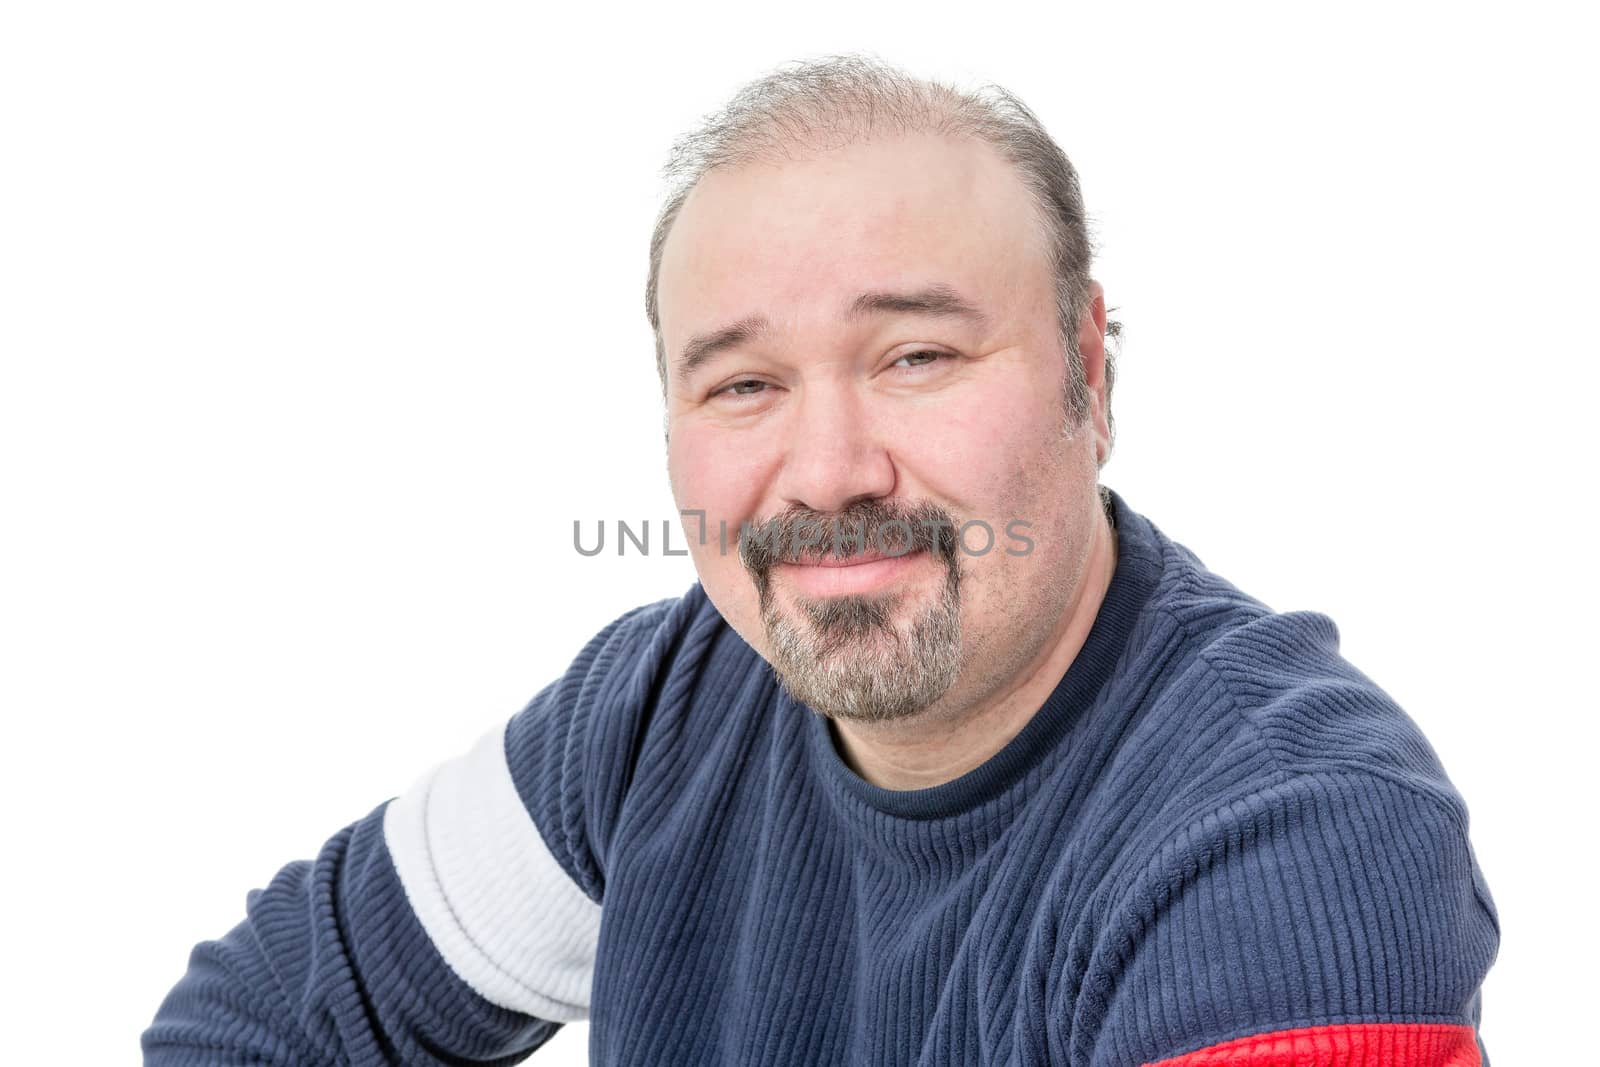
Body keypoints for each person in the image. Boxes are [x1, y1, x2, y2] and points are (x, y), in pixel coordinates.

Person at [144, 55, 1500, 1066]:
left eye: (917, 356)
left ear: (1090, 369)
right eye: (742, 385)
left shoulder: (1294, 835)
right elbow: (252, 1025)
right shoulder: (661, 708)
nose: (829, 469)